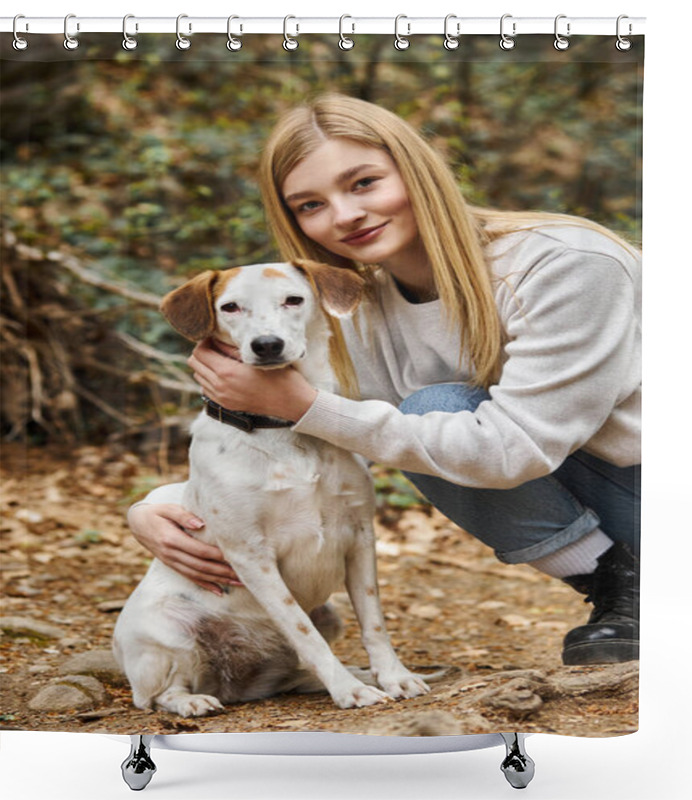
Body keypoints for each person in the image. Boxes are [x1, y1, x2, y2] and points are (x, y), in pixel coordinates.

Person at [129, 93, 641, 666]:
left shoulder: (566, 264)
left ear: (416, 171)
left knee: (433, 410)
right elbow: (299, 441)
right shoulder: (355, 307)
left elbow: (511, 449)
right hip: (604, 500)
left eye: (364, 182)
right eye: (310, 204)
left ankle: (636, 588)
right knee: (431, 412)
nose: (344, 215)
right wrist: (161, 506)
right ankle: (624, 588)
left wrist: (303, 404)